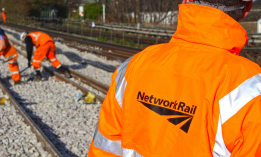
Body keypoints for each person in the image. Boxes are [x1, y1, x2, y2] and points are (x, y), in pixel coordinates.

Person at [89, 0, 261, 156]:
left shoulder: (133, 66)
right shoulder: (251, 88)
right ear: (247, 8)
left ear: (186, 1)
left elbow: (104, 149)